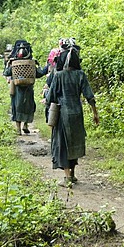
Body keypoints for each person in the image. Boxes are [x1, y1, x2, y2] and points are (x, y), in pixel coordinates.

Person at [46, 39, 99, 187]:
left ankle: (67, 177)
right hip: (77, 113)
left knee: (63, 144)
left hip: (63, 114)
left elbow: (50, 97)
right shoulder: (80, 75)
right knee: (74, 142)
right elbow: (89, 96)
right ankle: (73, 174)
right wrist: (95, 113)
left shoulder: (58, 75)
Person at [3, 40, 45, 135]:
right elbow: (40, 74)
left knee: (16, 107)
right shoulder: (31, 63)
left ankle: (18, 129)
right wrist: (42, 67)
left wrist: (8, 64)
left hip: (17, 90)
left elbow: (6, 73)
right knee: (29, 107)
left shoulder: (14, 63)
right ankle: (25, 125)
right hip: (29, 89)